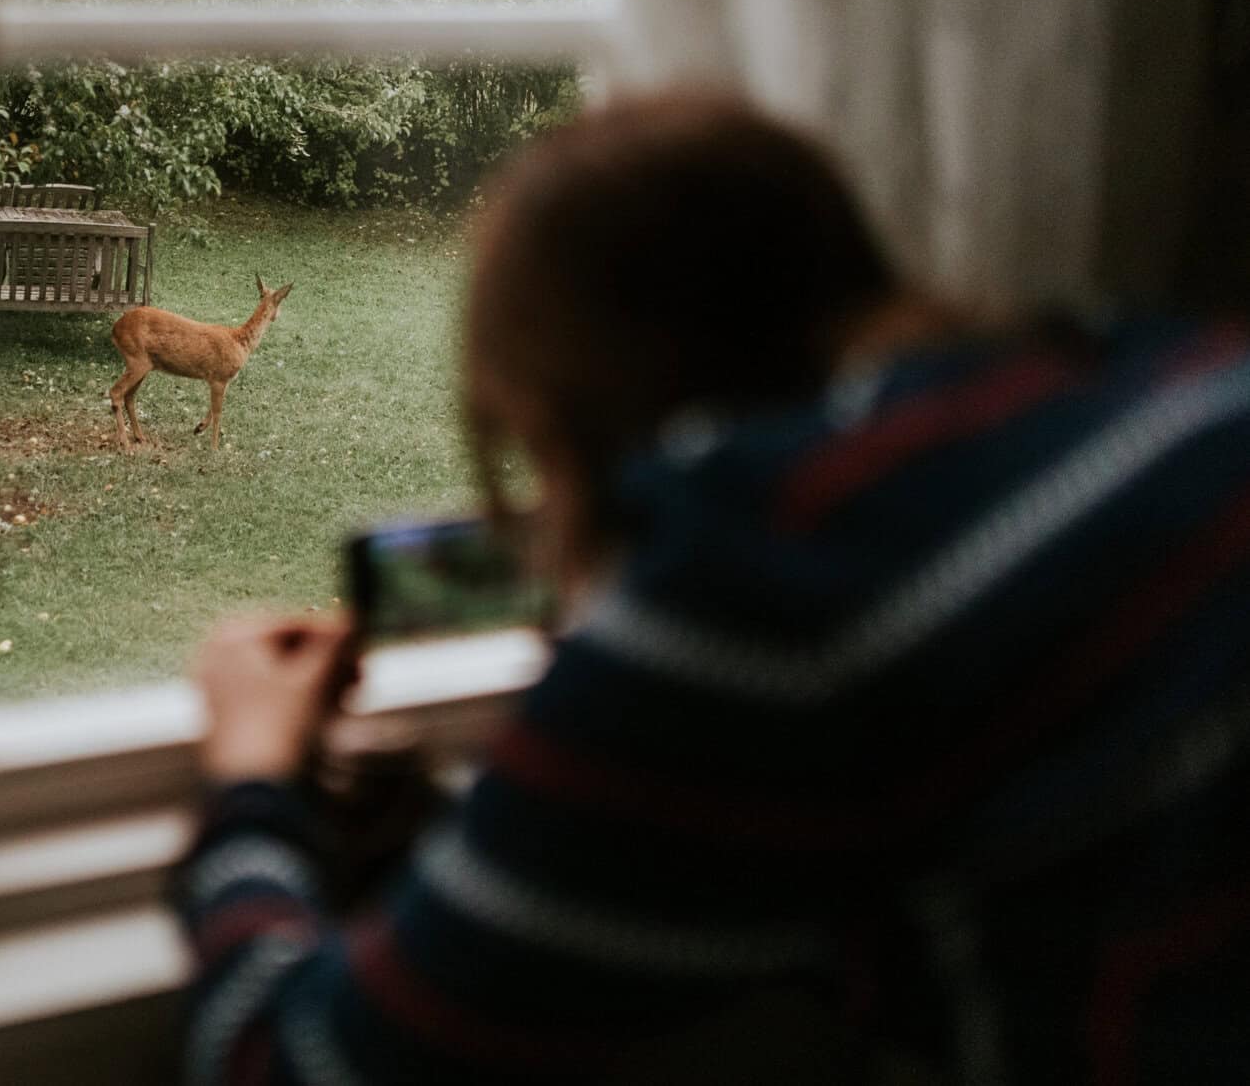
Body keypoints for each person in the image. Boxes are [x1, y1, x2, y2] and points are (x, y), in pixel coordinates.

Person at [174, 90, 1250, 1084]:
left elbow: (290, 1061)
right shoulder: (1156, 363)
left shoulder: (752, 578)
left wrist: (253, 776)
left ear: (559, 420)